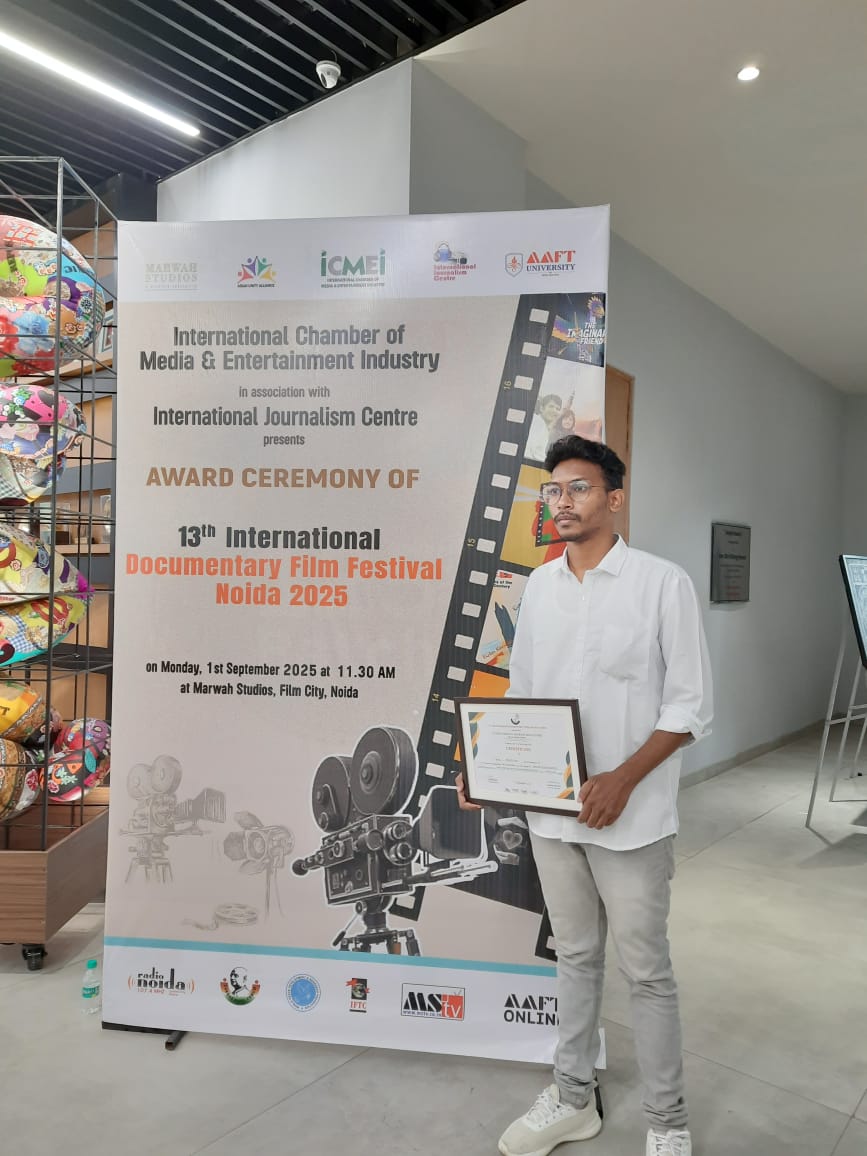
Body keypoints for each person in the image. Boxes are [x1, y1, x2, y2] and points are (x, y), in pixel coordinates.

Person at [458, 434, 712, 1156]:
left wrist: (622, 779)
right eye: (553, 490)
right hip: (551, 814)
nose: (561, 502)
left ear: (614, 498)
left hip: (632, 819)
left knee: (646, 972)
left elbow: (690, 707)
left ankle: (667, 1122)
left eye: (578, 488)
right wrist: (486, 768)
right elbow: (523, 696)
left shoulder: (661, 584)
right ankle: (573, 1099)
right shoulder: (539, 587)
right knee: (573, 956)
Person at [526, 394, 562, 462]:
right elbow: (529, 452)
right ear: (541, 408)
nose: (554, 410)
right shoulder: (538, 422)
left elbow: (538, 453)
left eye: (557, 409)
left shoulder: (543, 426)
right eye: (551, 406)